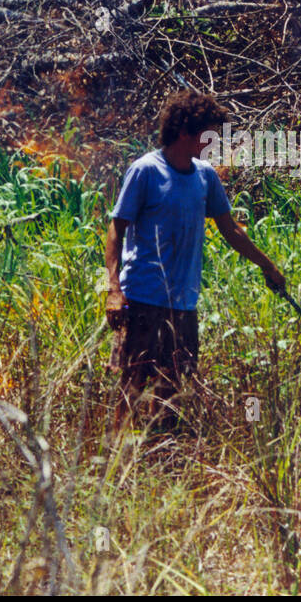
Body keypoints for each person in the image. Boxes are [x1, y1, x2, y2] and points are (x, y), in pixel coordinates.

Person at [105, 90, 285, 434]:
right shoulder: (145, 171)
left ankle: (164, 461)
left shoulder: (205, 176)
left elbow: (231, 230)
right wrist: (113, 289)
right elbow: (115, 229)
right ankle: (117, 465)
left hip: (184, 304)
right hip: (142, 298)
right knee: (131, 388)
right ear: (185, 132)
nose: (214, 142)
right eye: (209, 134)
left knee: (173, 391)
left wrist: (267, 265)